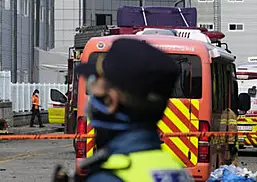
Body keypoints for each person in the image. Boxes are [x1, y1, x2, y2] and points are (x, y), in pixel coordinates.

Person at [52, 38, 191, 182]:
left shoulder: (108, 177)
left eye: (95, 85)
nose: (92, 94)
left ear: (111, 101)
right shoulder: (177, 171)